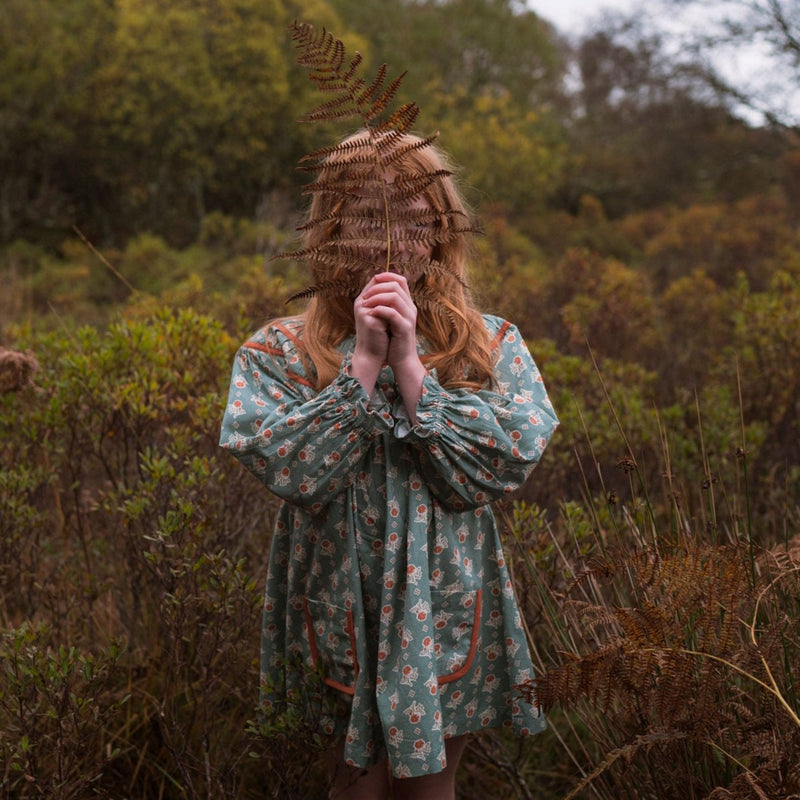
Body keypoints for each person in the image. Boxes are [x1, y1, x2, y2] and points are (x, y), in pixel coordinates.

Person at [219, 130, 559, 799]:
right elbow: (291, 469)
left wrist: (412, 371)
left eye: (415, 218)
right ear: (331, 228)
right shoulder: (279, 350)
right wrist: (363, 366)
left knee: (432, 783)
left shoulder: (487, 343)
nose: (393, 237)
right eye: (370, 217)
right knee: (354, 784)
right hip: (336, 600)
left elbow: (506, 457)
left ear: (441, 230)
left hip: (446, 601)